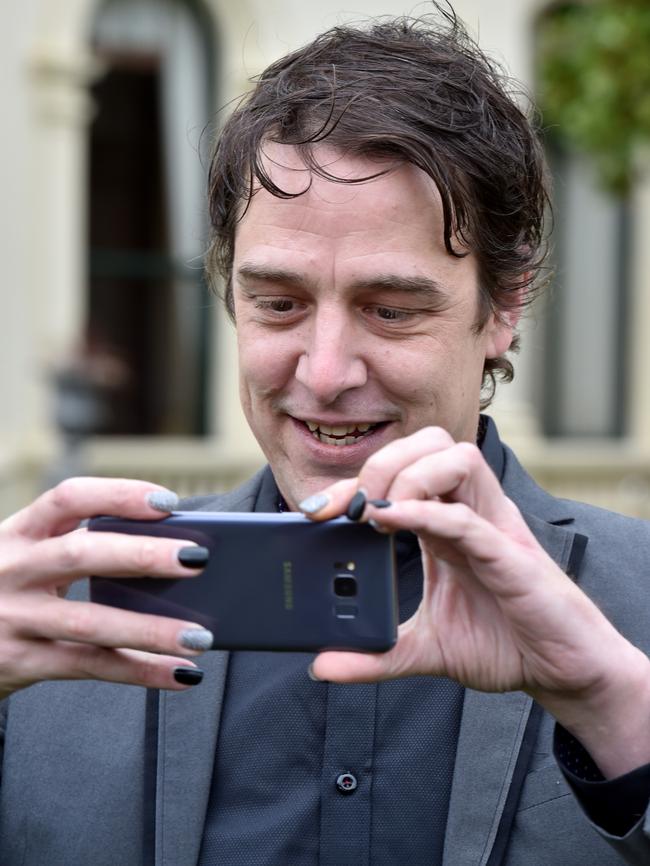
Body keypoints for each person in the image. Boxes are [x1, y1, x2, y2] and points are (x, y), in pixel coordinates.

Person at [1, 6, 649, 865]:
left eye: (391, 310)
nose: (326, 370)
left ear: (505, 305)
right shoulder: (66, 621)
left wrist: (617, 707)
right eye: (279, 304)